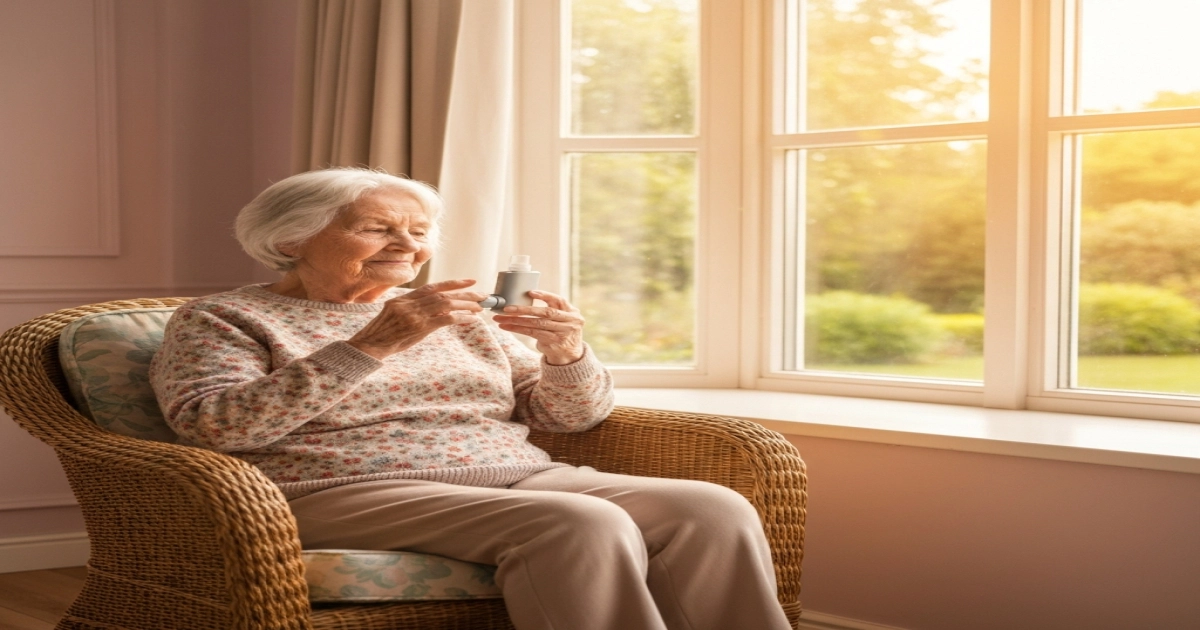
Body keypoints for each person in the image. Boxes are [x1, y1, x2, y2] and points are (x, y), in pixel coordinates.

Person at [149, 167, 792, 630]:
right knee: (581, 523)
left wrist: (566, 356)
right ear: (291, 239)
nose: (408, 245)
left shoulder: (460, 317)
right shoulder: (223, 318)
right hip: (337, 488)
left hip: (518, 474)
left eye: (419, 231)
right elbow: (215, 427)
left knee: (710, 508)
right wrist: (373, 344)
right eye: (378, 228)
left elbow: (570, 418)